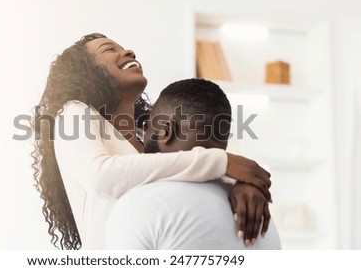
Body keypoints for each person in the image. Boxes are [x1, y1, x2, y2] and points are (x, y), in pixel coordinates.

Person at [32, 33, 272, 250]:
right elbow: (101, 176)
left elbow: (184, 178)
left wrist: (241, 184)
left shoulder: (148, 137)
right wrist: (220, 162)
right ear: (85, 72)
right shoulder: (74, 112)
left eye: (124, 47)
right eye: (109, 49)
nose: (128, 52)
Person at [104, 79, 281, 249]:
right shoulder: (260, 218)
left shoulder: (139, 206)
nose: (143, 135)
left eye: (148, 124)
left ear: (166, 131)